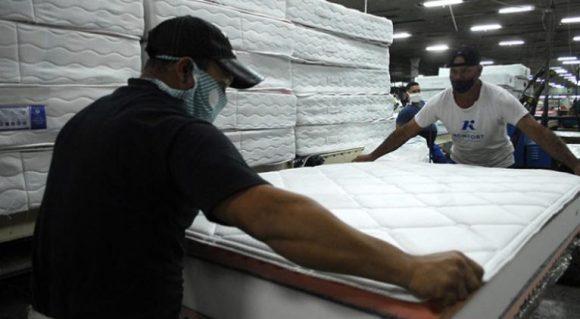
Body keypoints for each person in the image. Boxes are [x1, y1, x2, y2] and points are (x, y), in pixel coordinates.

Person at [30, 16, 484, 319]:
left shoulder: (88, 119)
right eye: (222, 83)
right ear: (186, 71)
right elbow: (276, 220)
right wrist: (409, 269)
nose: (221, 98)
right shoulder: (179, 132)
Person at [355, 46, 580, 175]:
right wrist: (373, 156)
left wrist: (575, 165)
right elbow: (405, 132)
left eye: (465, 70)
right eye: (454, 72)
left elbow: (538, 133)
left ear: (479, 70)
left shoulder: (499, 99)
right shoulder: (440, 101)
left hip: (499, 167)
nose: (459, 76)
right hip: (461, 167)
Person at [397, 81, 448, 163]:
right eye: (414, 92)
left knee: (442, 161)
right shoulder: (405, 112)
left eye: (419, 91)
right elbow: (398, 132)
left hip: (431, 143)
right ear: (407, 93)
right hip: (421, 146)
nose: (417, 93)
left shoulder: (423, 104)